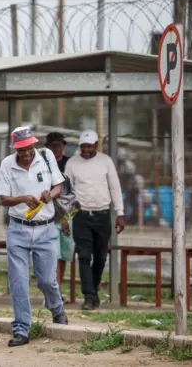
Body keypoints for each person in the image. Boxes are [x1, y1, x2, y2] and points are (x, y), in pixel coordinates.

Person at [0, 126, 69, 347]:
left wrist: (49, 195)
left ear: (34, 144)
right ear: (15, 148)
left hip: (45, 228)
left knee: (46, 279)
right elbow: (3, 199)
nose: (26, 153)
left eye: (28, 147)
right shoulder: (7, 164)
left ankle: (56, 308)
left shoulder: (46, 157)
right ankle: (21, 329)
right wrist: (23, 199)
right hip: (18, 228)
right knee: (18, 280)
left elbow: (58, 186)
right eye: (21, 149)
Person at [64, 129, 125, 311]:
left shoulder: (105, 161)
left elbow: (115, 187)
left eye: (90, 146)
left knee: (100, 257)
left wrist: (120, 213)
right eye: (83, 146)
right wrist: (65, 219)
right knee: (83, 256)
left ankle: (94, 289)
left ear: (96, 146)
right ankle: (89, 296)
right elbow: (67, 192)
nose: (86, 150)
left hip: (103, 215)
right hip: (81, 215)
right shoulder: (72, 163)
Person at [45, 132, 73, 299]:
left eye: (59, 145)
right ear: (48, 147)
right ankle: (53, 291)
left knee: (64, 252)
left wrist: (67, 217)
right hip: (50, 214)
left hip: (69, 213)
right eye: (53, 145)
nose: (57, 148)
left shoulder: (69, 164)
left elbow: (72, 194)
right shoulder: (43, 165)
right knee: (52, 253)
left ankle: (58, 288)